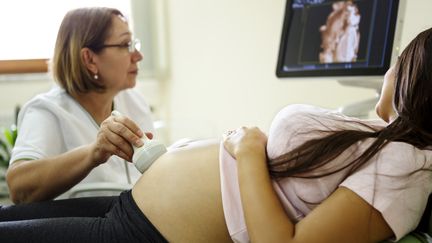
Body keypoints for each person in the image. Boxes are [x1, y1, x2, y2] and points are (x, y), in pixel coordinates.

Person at [1, 28, 432, 243]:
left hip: (143, 231)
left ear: (417, 78)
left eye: (400, 58)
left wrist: (247, 152)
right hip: (132, 208)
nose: (390, 66)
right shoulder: (383, 140)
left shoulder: (408, 163)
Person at [6, 7, 154, 204]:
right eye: (126, 45)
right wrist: (94, 152)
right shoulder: (46, 111)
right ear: (89, 59)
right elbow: (19, 190)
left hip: (134, 225)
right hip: (83, 231)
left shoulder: (134, 102)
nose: (138, 56)